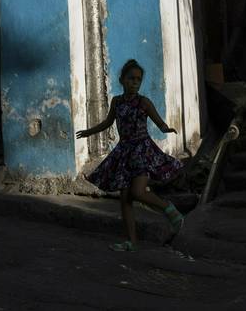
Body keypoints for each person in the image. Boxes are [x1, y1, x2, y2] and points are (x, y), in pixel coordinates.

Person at [76, 59, 185, 251]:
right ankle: (130, 242)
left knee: (138, 192)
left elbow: (159, 122)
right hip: (124, 153)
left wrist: (166, 128)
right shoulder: (117, 102)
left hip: (142, 151)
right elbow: (107, 123)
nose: (135, 82)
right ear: (122, 80)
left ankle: (169, 208)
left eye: (138, 80)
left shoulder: (144, 102)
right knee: (125, 199)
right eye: (131, 79)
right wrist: (89, 131)